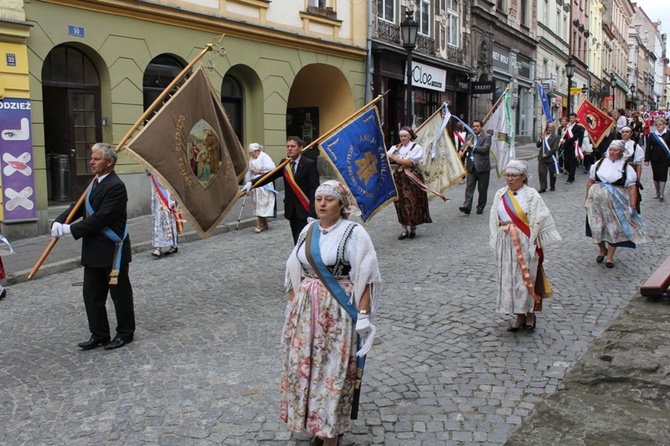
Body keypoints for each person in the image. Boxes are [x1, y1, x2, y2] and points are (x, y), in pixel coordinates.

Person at [280, 180, 382, 446]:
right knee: (306, 368)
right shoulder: (308, 230)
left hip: (336, 313)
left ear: (341, 204)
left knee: (332, 370)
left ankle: (331, 435)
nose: (322, 204)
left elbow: (366, 275)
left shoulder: (354, 233)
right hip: (305, 311)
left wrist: (363, 315)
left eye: (329, 199)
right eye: (319, 199)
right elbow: (294, 270)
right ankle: (316, 425)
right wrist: (292, 307)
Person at [51, 143, 135, 350]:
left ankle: (125, 333)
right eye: (91, 158)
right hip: (93, 251)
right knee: (92, 295)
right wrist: (59, 221)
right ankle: (99, 334)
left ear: (109, 162)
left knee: (119, 295)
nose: (91, 162)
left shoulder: (116, 186)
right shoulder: (94, 183)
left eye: (96, 159)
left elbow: (102, 217)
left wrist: (71, 230)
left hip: (112, 248)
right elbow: (77, 207)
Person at [489, 160, 561, 333]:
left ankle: (529, 314)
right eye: (507, 175)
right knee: (509, 279)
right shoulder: (500, 193)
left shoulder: (531, 195)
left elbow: (540, 217)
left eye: (514, 175)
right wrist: (497, 237)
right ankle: (518, 314)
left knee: (525, 278)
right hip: (506, 240)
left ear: (523, 177)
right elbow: (493, 218)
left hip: (525, 240)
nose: (510, 179)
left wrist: (535, 241)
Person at [244, 136, 319, 244]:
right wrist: (252, 183)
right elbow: (270, 175)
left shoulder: (308, 164)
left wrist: (313, 213)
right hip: (291, 209)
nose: (289, 149)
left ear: (300, 148)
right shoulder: (285, 163)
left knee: (306, 242)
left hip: (305, 209)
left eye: (293, 146)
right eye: (288, 146)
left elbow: (314, 190)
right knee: (296, 241)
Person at [586, 140, 647, 269]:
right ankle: (602, 249)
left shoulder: (626, 167)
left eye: (615, 150)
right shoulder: (600, 163)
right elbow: (591, 181)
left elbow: (632, 187)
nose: (612, 152)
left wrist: (633, 205)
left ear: (621, 152)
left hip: (616, 204)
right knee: (596, 227)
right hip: (596, 203)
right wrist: (587, 197)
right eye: (611, 150)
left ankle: (610, 257)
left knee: (614, 229)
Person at [387, 126, 432, 239]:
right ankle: (404, 230)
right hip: (399, 178)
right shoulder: (396, 148)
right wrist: (390, 157)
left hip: (411, 178)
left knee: (412, 202)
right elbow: (388, 159)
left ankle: (413, 227)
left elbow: (410, 162)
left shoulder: (416, 147)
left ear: (410, 136)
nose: (402, 138)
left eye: (405, 136)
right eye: (401, 136)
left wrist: (395, 158)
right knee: (399, 202)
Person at [459, 119, 492, 215]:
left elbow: (485, 149)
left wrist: (472, 146)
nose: (475, 128)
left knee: (482, 189)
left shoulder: (487, 137)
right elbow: (465, 145)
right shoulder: (470, 136)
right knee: (469, 188)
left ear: (481, 127)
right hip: (471, 166)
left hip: (483, 167)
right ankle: (467, 207)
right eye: (473, 126)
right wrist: (461, 150)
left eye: (477, 126)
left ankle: (480, 207)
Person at [244, 143, 277, 233]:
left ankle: (259, 224)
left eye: (252, 153)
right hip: (256, 184)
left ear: (257, 151)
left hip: (264, 183)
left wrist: (258, 172)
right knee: (257, 203)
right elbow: (250, 171)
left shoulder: (264, 157)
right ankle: (264, 223)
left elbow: (272, 170)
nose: (251, 155)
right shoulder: (252, 159)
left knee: (262, 204)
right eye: (250, 153)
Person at [150, 174, 180, 258]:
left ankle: (173, 245)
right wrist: (153, 201)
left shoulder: (167, 169)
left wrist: (172, 201)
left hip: (167, 200)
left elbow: (171, 185)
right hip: (158, 201)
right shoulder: (153, 172)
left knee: (170, 223)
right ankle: (158, 247)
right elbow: (153, 188)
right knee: (158, 223)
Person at [644, 117, 670, 202]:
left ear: (664, 124)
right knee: (656, 175)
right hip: (654, 158)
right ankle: (657, 192)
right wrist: (646, 159)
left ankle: (662, 192)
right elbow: (648, 147)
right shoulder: (652, 135)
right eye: (656, 125)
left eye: (660, 124)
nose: (658, 126)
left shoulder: (668, 134)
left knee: (663, 175)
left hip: (665, 157)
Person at [621, 126, 645, 213]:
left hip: (630, 171)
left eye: (627, 132)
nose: (625, 133)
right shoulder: (616, 144)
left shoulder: (635, 146)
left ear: (631, 134)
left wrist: (638, 179)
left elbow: (638, 165)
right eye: (623, 132)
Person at [560, 113, 584, 184]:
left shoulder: (578, 127)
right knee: (567, 162)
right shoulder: (567, 127)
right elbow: (564, 135)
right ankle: (570, 174)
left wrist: (566, 141)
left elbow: (575, 137)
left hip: (573, 146)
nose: (571, 119)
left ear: (576, 118)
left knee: (572, 163)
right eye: (570, 118)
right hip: (567, 147)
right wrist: (562, 139)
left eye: (573, 118)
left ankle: (571, 178)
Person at [536, 122, 560, 192]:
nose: (550, 129)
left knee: (552, 173)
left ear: (553, 129)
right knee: (542, 173)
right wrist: (541, 139)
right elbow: (538, 145)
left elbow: (555, 148)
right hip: (542, 158)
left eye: (551, 128)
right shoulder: (544, 136)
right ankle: (543, 187)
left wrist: (547, 154)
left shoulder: (556, 137)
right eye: (548, 127)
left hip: (550, 157)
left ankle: (552, 186)